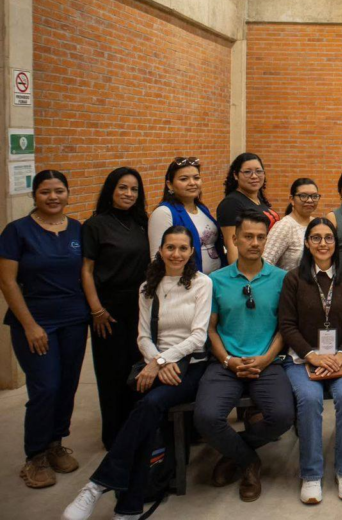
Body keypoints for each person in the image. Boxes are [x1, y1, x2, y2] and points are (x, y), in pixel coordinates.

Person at [62, 226, 212, 520]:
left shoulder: (201, 283)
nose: (176, 254)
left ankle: (98, 485)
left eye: (183, 248)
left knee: (149, 405)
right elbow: (143, 336)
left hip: (191, 366)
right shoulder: (147, 287)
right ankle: (127, 508)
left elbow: (198, 336)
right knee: (146, 417)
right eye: (170, 247)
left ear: (192, 252)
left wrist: (161, 361)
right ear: (160, 250)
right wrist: (158, 362)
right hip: (158, 364)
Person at [193, 211, 293, 502]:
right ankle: (248, 461)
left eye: (261, 237)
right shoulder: (216, 280)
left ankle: (235, 453)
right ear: (234, 239)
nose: (255, 242)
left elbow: (284, 328)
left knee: (283, 416)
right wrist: (227, 360)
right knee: (206, 417)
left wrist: (266, 358)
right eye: (248, 236)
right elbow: (211, 329)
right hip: (225, 363)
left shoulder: (281, 279)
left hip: (267, 362)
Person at [0, 170, 89, 489]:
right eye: (45, 192)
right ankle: (35, 456)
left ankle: (55, 444)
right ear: (34, 195)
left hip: (74, 320)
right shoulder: (17, 231)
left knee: (67, 385)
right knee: (45, 387)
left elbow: (85, 273)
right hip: (36, 322)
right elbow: (7, 281)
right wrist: (30, 325)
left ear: (67, 194)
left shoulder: (77, 229)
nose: (53, 197)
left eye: (59, 191)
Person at [278, 218, 342, 503]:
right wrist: (312, 355)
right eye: (316, 237)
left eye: (328, 237)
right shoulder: (293, 279)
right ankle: (311, 474)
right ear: (306, 243)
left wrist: (340, 355)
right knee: (309, 399)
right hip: (303, 358)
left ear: (336, 243)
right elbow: (287, 325)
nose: (322, 243)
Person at [81, 168, 150, 450]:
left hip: (140, 306)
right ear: (111, 190)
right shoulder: (95, 225)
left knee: (137, 367)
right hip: (107, 309)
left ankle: (136, 428)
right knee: (112, 371)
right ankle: (114, 435)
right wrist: (96, 310)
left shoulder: (142, 223)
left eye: (134, 189)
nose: (128, 194)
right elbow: (86, 270)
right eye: (123, 188)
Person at [148, 157, 225, 274]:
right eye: (184, 179)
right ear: (170, 185)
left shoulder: (202, 208)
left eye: (196, 178)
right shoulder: (163, 213)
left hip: (214, 280)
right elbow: (157, 259)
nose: (192, 183)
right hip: (187, 282)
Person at [218, 153, 280, 263]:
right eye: (247, 172)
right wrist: (240, 273)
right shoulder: (231, 203)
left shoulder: (258, 199)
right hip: (249, 267)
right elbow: (232, 245)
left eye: (258, 171)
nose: (254, 176)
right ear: (236, 175)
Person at [264, 178, 321, 271]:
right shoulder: (284, 226)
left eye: (314, 196)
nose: (310, 200)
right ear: (292, 199)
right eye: (303, 196)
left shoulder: (317, 224)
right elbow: (265, 263)